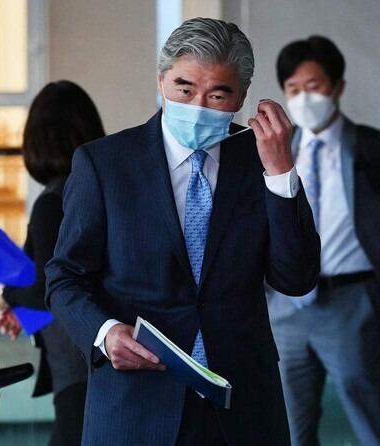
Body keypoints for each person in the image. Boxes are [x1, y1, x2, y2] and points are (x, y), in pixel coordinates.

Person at [45, 17, 321, 446]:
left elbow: (296, 278)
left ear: (241, 97)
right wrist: (104, 333)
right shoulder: (105, 164)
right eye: (184, 89)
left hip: (242, 409)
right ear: (160, 82)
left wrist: (281, 172)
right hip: (134, 405)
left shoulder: (261, 161)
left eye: (217, 94)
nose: (197, 105)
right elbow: (65, 277)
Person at [267, 36, 380, 446]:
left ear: (337, 87)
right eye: (293, 89)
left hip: (351, 301)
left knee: (367, 405)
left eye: (313, 86)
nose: (303, 98)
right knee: (289, 423)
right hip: (286, 308)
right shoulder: (274, 153)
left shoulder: (370, 147)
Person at [0, 80, 105, 446]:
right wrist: (21, 305)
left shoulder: (53, 201)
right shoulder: (98, 189)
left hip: (78, 366)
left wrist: (4, 295)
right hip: (100, 357)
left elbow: (48, 289)